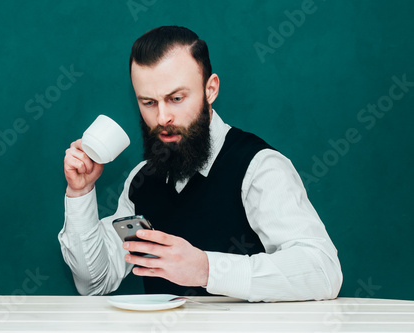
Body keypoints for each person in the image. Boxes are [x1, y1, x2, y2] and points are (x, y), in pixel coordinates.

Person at [59, 26, 342, 302]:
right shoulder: (140, 180)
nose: (162, 118)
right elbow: (94, 283)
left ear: (211, 89)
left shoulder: (259, 167)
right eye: (148, 102)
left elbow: (323, 271)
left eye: (176, 98)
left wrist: (206, 270)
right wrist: (81, 192)